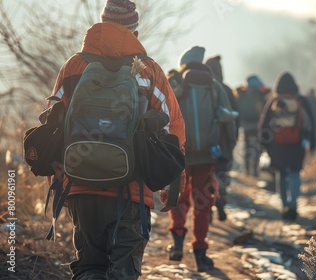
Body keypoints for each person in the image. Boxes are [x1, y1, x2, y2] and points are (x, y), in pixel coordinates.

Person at [45, 0, 186, 279]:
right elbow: (174, 129)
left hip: (80, 186)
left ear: (101, 24)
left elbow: (52, 125)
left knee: (88, 267)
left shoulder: (74, 66)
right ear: (133, 32)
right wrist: (172, 184)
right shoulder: (149, 71)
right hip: (131, 191)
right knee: (123, 270)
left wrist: (58, 181)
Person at [167, 46, 236, 272]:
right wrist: (226, 152)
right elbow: (228, 121)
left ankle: (177, 241)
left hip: (179, 155)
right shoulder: (214, 86)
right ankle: (200, 253)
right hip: (207, 156)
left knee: (178, 198)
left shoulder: (175, 83)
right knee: (203, 203)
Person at [258, 72, 316, 222]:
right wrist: (312, 143)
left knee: (281, 174)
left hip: (277, 145)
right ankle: (293, 205)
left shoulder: (274, 101)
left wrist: (264, 145)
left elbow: (264, 124)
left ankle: (284, 205)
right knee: (295, 174)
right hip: (298, 143)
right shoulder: (300, 100)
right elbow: (311, 123)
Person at [205, 54, 239, 222]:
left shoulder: (201, 87)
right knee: (220, 174)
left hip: (204, 142)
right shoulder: (226, 89)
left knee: (205, 176)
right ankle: (220, 199)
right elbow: (235, 118)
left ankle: (207, 208)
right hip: (223, 142)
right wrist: (232, 141)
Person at [235, 75, 271, 177]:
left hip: (246, 125)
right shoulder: (260, 93)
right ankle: (255, 170)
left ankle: (246, 170)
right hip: (257, 125)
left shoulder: (243, 92)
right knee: (256, 147)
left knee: (247, 146)